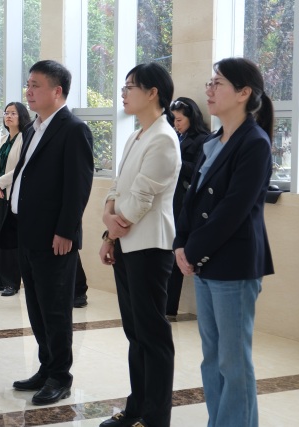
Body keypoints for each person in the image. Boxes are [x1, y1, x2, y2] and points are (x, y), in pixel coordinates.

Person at [174, 57, 274, 427]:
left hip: (233, 263)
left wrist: (192, 250)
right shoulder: (213, 142)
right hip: (205, 260)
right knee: (212, 358)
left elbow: (233, 210)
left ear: (244, 93)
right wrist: (180, 243)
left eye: (218, 83)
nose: (209, 90)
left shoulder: (255, 143)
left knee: (233, 362)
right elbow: (191, 199)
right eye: (209, 83)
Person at [98, 63, 180, 427]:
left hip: (149, 246)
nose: (123, 92)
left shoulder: (164, 137)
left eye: (130, 86)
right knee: (136, 333)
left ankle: (155, 417)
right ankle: (136, 408)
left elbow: (143, 196)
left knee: (153, 335)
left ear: (153, 93)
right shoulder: (136, 136)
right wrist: (107, 223)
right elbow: (119, 187)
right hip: (126, 242)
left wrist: (114, 228)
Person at [9, 60, 94, 405]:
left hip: (54, 238)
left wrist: (66, 231)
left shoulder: (73, 129)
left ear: (57, 91)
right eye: (28, 84)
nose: (28, 92)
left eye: (36, 85)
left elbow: (78, 186)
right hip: (28, 232)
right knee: (36, 307)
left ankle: (60, 376)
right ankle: (46, 368)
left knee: (56, 310)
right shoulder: (34, 127)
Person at [166, 97, 210, 319]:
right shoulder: (172, 136)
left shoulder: (203, 139)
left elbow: (198, 171)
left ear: (191, 118)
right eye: (173, 119)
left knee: (177, 252)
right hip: (168, 198)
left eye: (180, 120)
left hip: (183, 201)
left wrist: (176, 161)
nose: (176, 124)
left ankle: (169, 307)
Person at [0, 101, 31, 297]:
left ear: (21, 116)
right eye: (6, 113)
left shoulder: (25, 139)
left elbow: (22, 168)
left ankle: (12, 282)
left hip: (13, 195)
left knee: (10, 241)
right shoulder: (3, 139)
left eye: (13, 113)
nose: (8, 116)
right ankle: (1, 280)